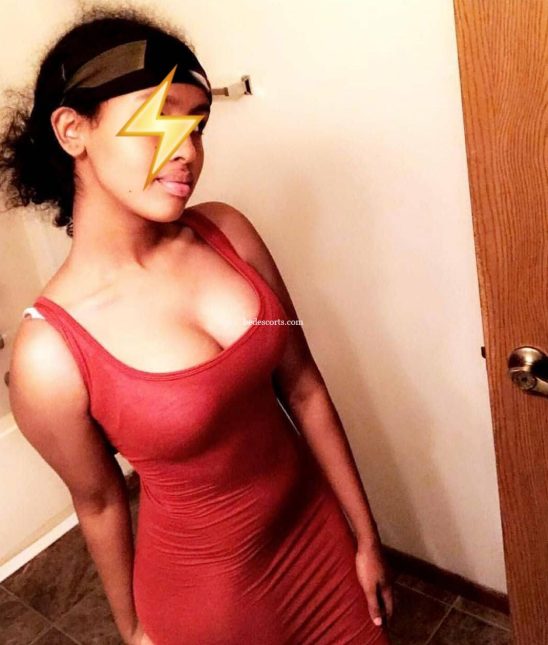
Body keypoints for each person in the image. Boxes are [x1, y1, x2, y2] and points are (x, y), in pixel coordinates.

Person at [3, 7, 393, 645]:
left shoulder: (228, 233)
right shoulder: (50, 353)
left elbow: (304, 388)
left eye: (197, 125)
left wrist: (365, 536)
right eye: (157, 122)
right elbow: (100, 503)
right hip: (215, 602)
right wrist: (133, 630)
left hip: (319, 538)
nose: (186, 152)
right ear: (73, 130)